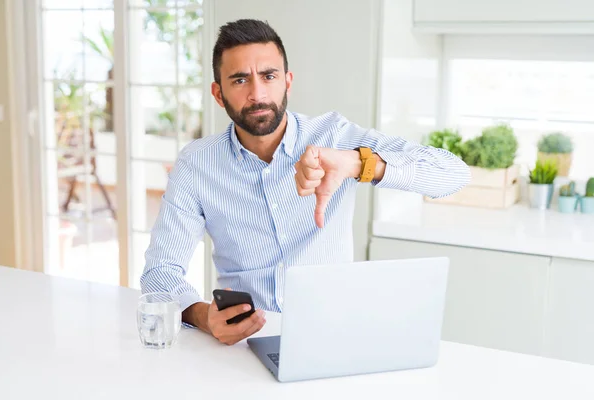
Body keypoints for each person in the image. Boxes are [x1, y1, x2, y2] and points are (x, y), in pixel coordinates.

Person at [141, 19, 470, 345]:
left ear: (287, 81)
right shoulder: (196, 164)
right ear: (218, 93)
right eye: (240, 80)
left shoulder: (335, 136)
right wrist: (204, 317)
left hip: (335, 335)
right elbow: (160, 274)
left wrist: (358, 162)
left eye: (269, 76)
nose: (258, 94)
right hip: (245, 344)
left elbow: (453, 174)